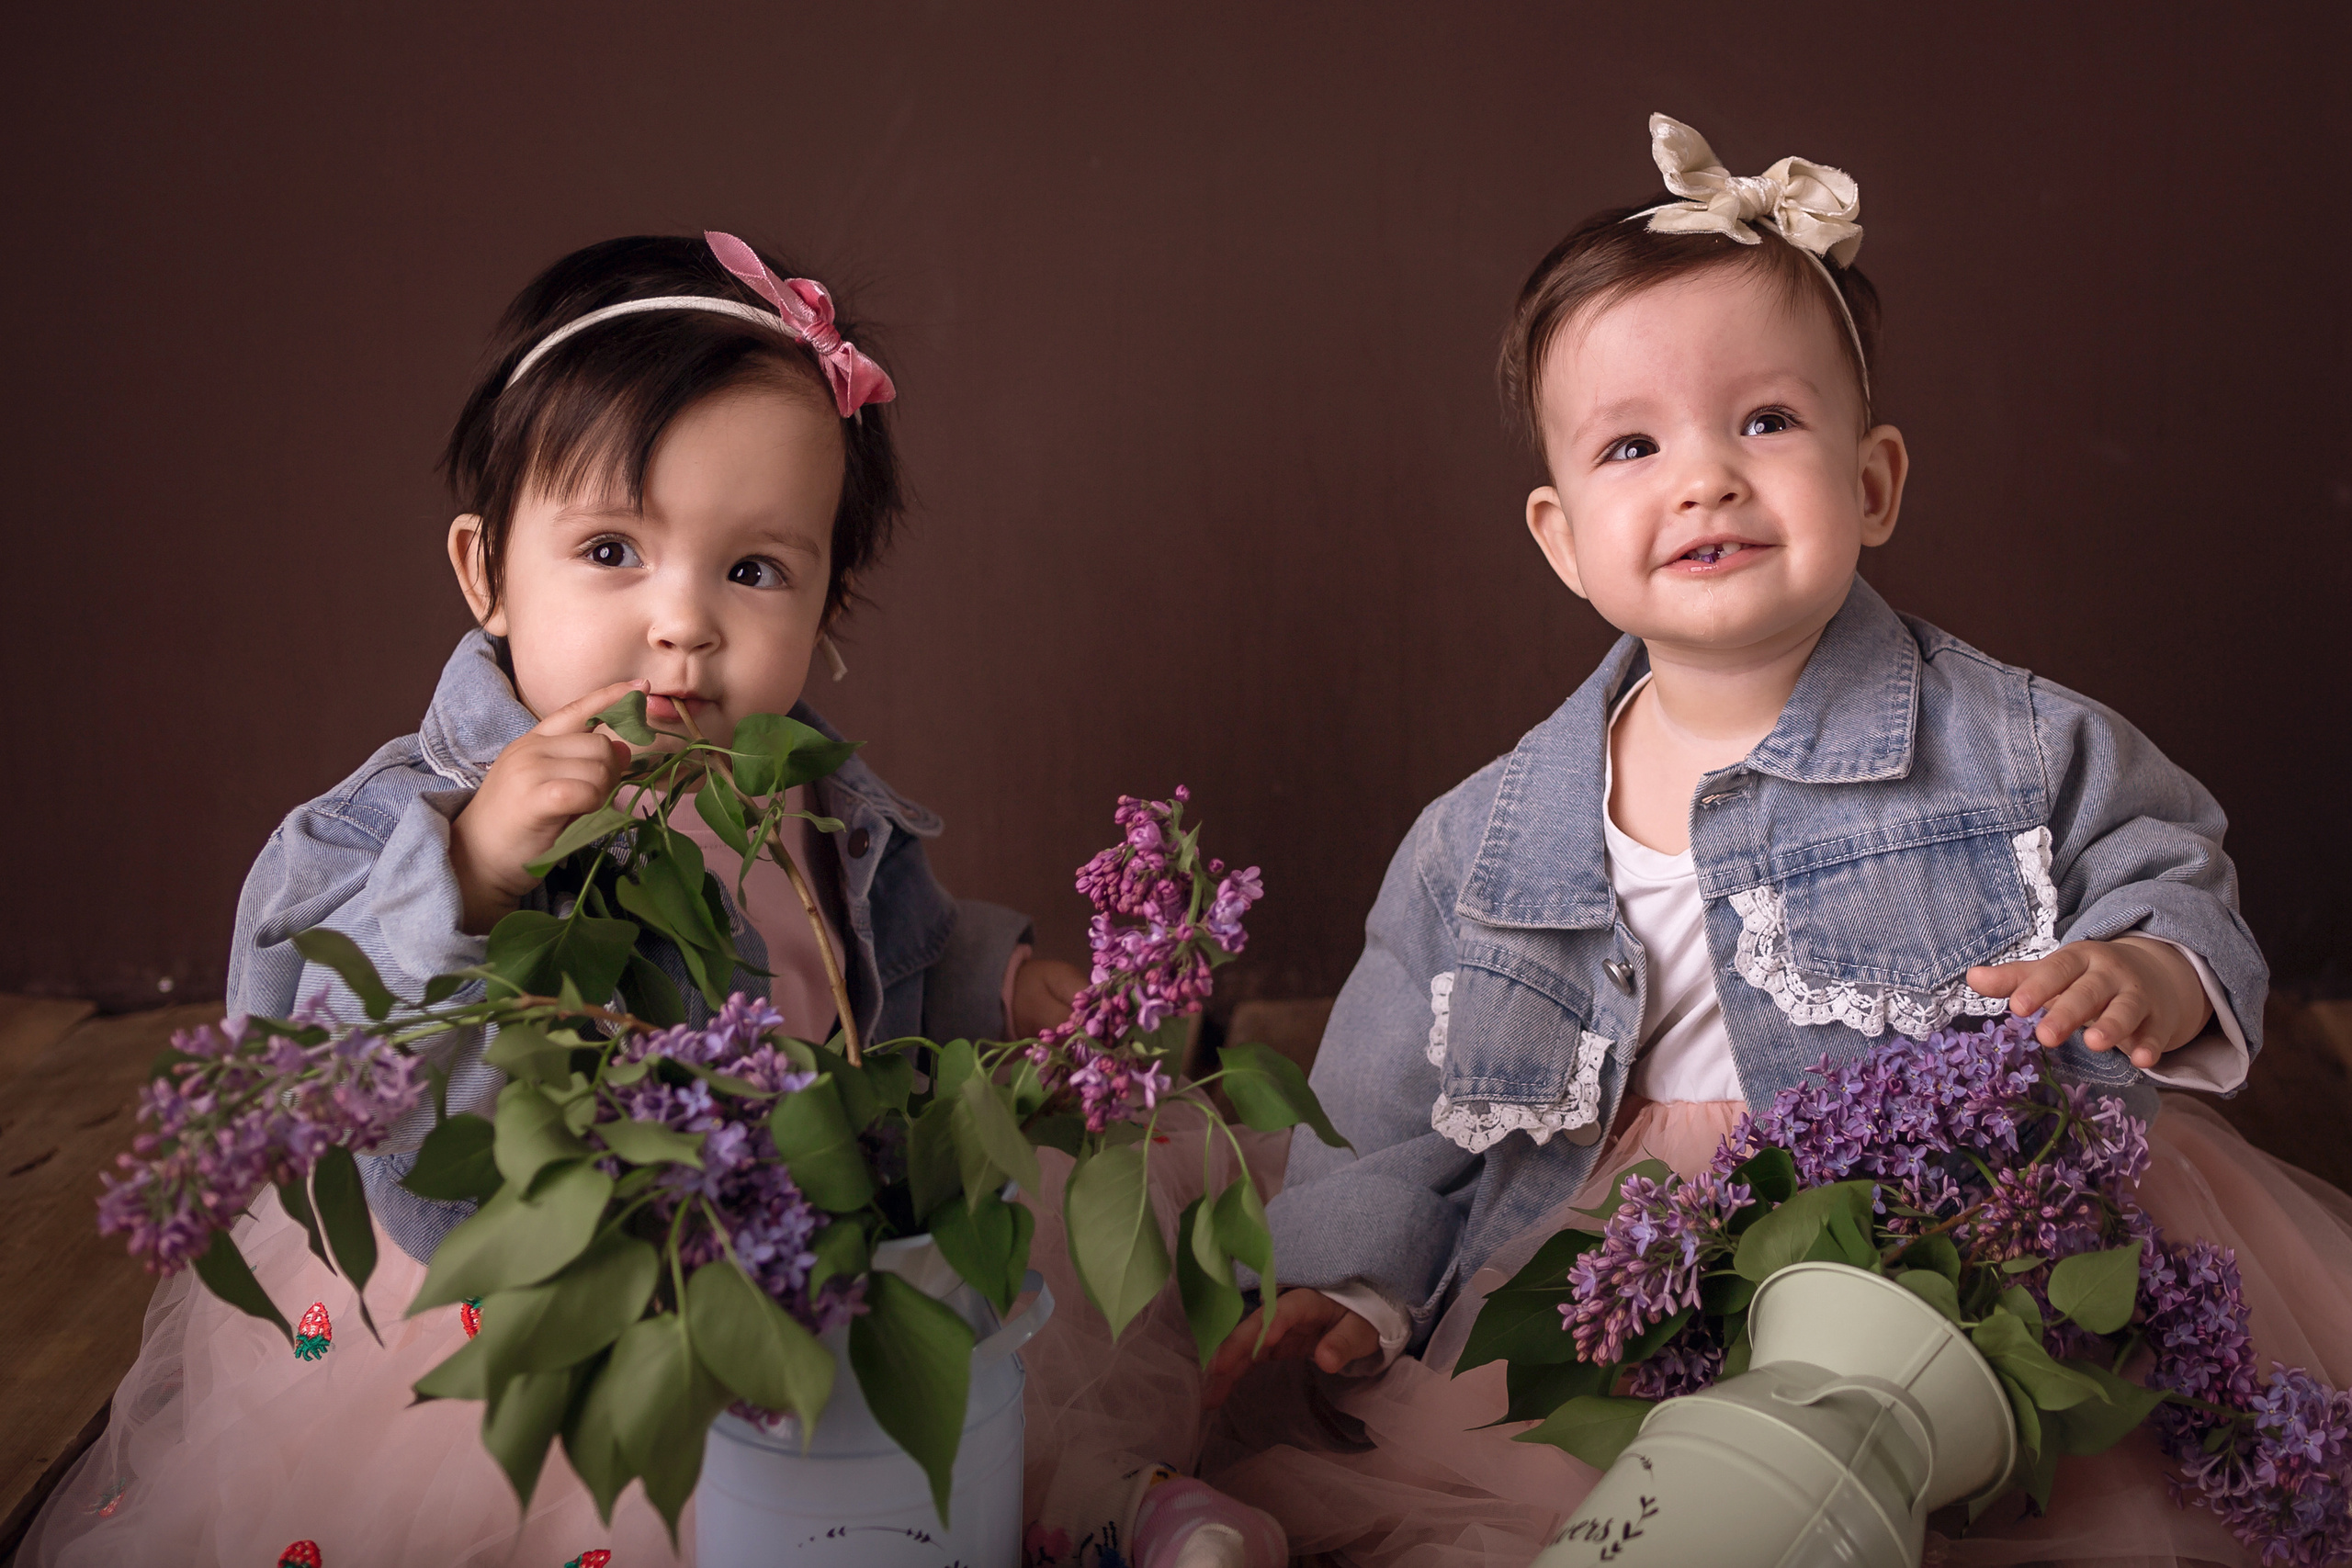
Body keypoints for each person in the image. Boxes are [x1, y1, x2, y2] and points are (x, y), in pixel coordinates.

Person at [1196, 117, 2352, 1568]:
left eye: (1765, 423)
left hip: (1945, 1242)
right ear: (1561, 538)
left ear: (1872, 484)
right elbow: (1393, 1112)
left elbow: (2169, 858)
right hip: (1619, 1260)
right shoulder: (1477, 843)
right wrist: (1352, 1289)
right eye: (1634, 444)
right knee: (1609, 1498)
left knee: (2041, 1491)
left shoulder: (2017, 743)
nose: (1706, 479)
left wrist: (2151, 968)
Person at [23, 231, 1085, 1566]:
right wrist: (471, 866)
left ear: (827, 601)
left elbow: (882, 956)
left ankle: (1122, 1512)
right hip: (515, 1305)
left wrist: (1001, 978)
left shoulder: (816, 793)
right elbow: (291, 1041)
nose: (683, 622)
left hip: (784, 1257)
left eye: (754, 569)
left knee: (939, 1436)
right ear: (486, 571)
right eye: (610, 551)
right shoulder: (401, 822)